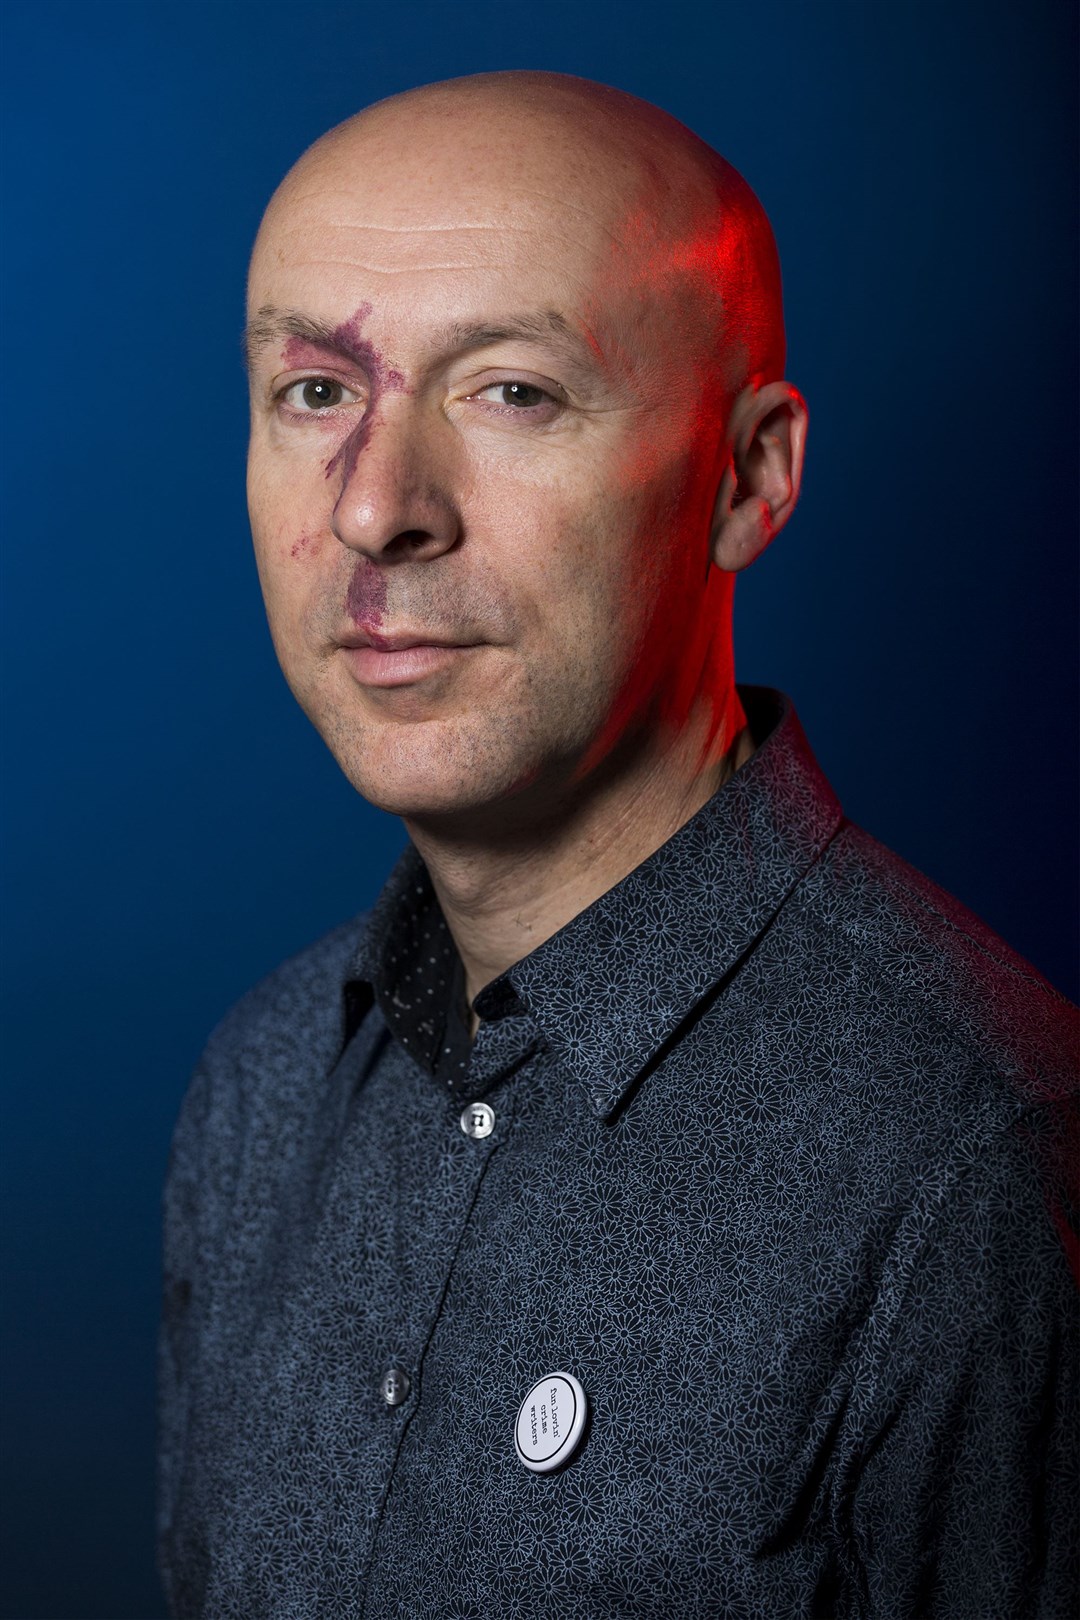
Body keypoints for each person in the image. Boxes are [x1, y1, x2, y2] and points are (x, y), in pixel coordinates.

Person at [157, 70, 1078, 1618]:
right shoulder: (258, 1091)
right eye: (316, 392)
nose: (379, 507)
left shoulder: (979, 1161)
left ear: (748, 477)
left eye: (511, 389)